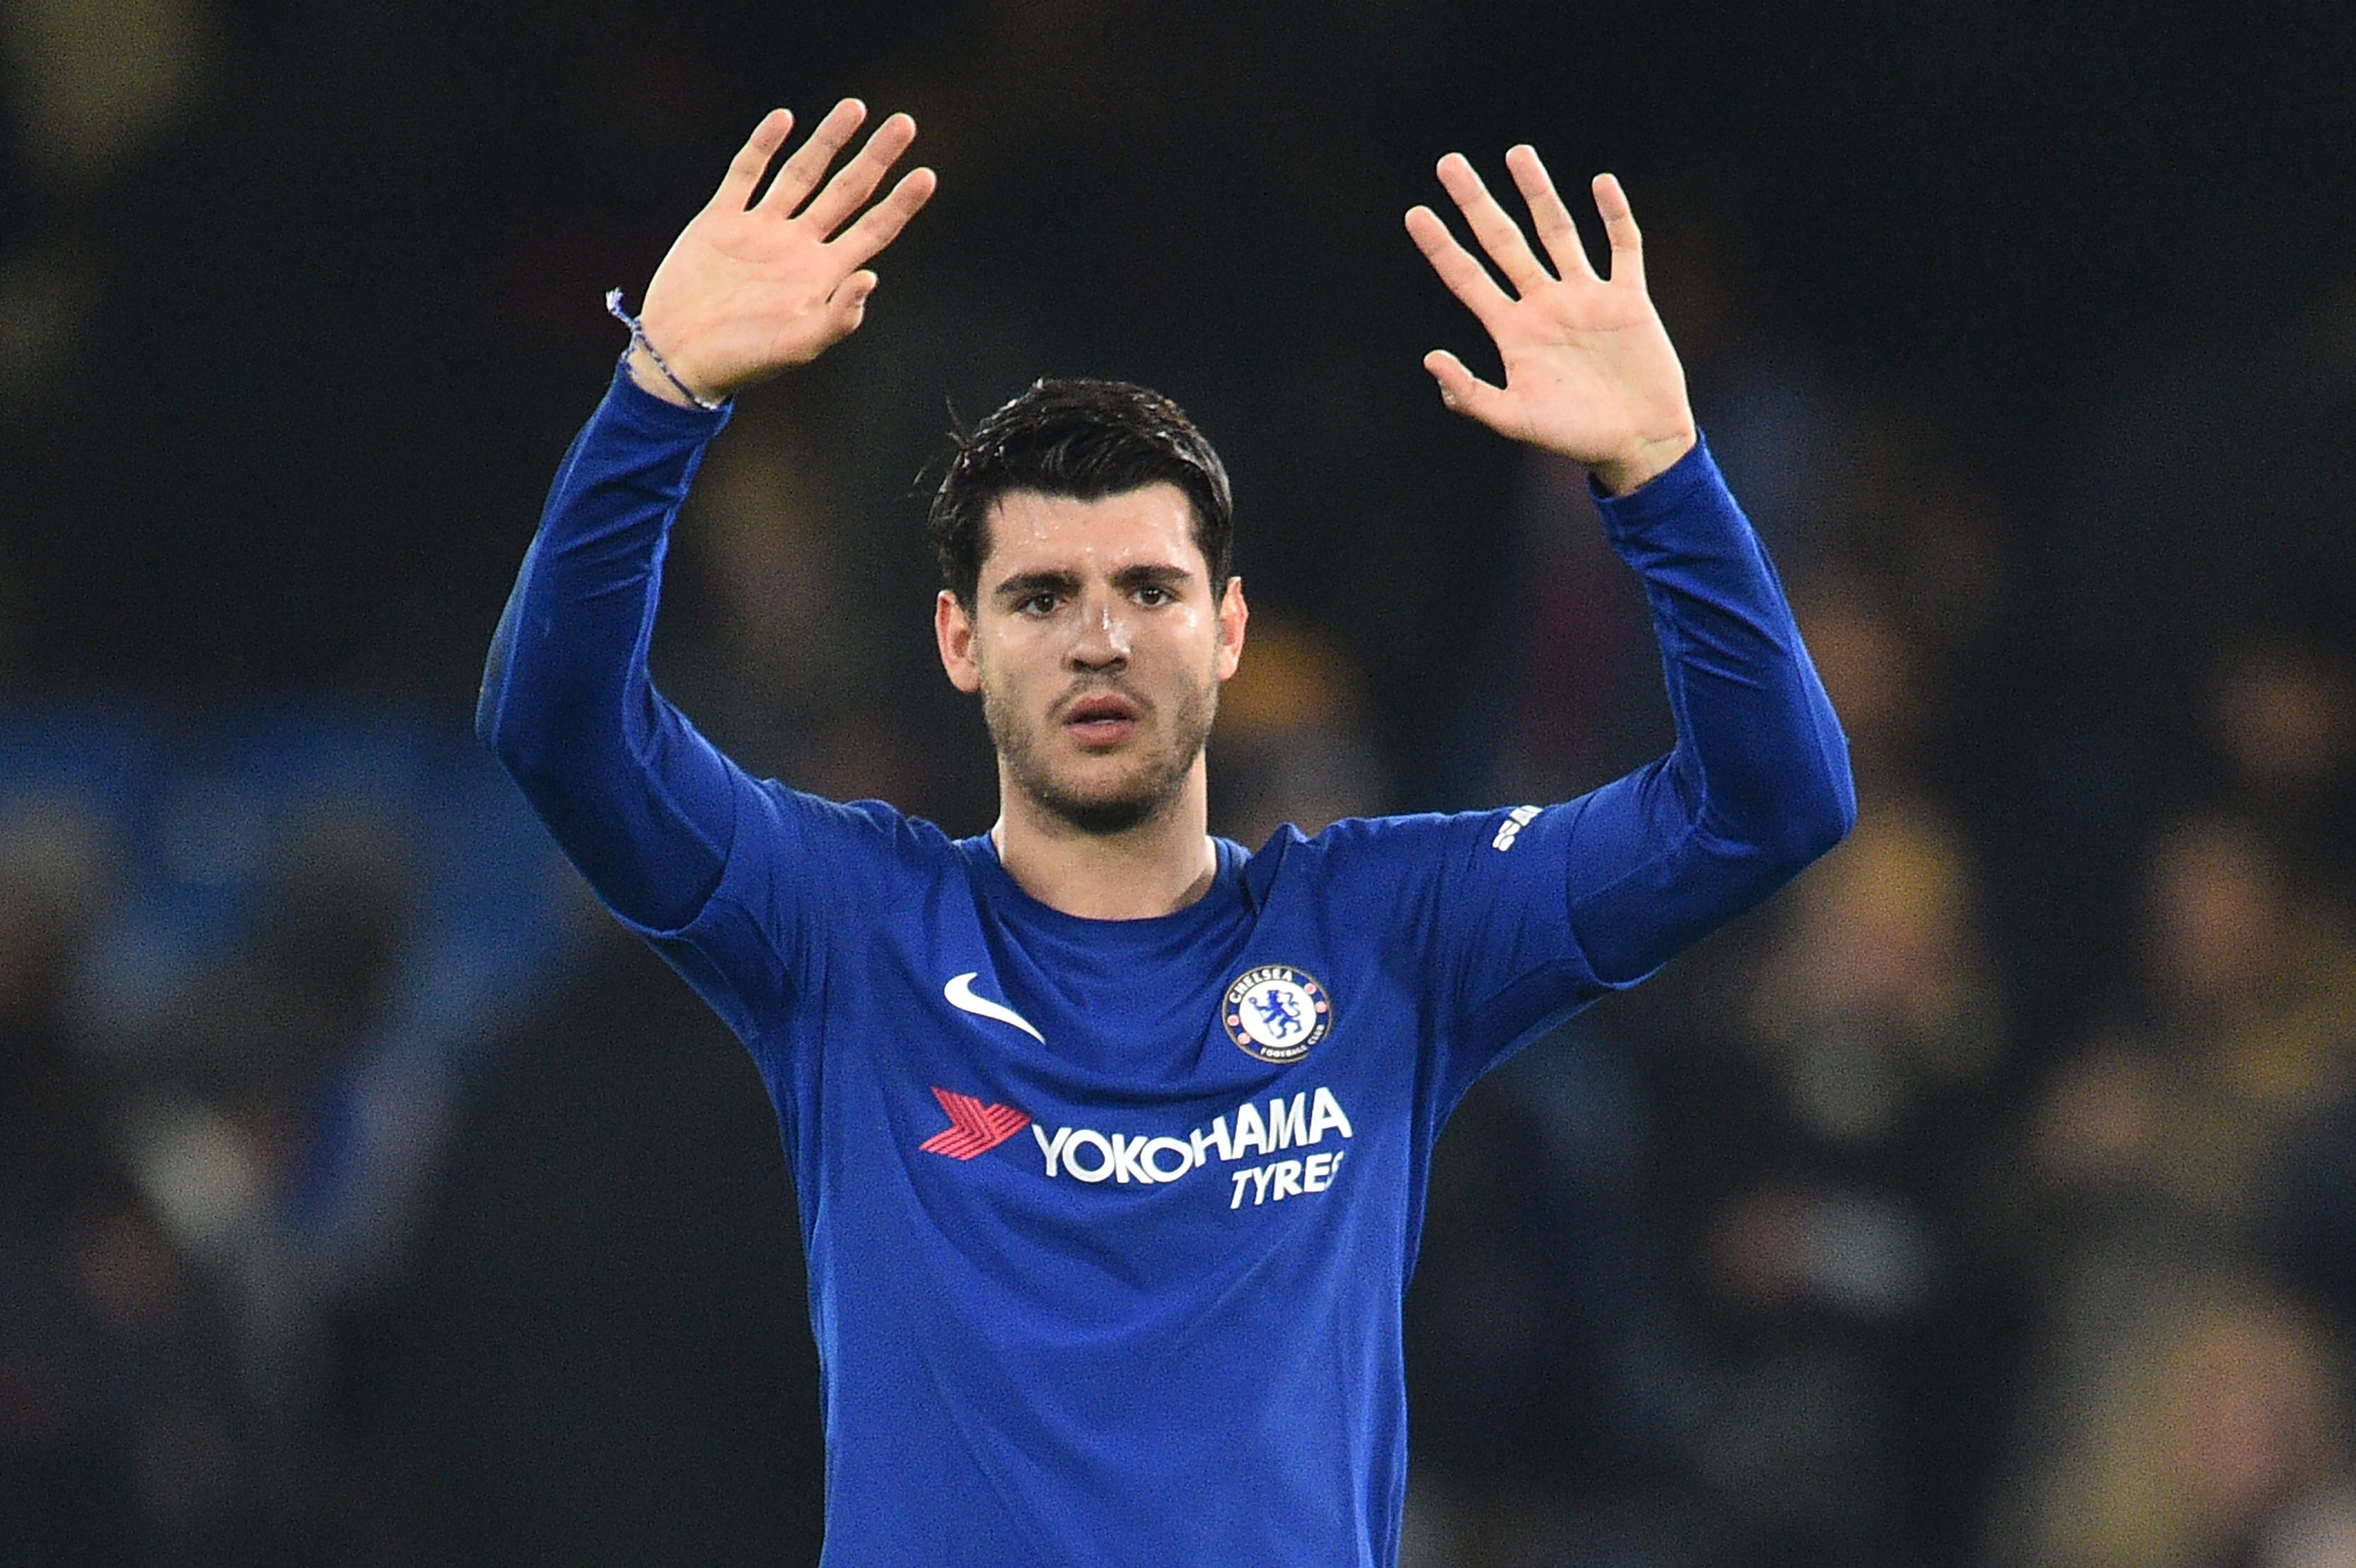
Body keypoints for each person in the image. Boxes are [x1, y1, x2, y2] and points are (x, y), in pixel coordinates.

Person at [477, 99, 1853, 1567]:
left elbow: (1768, 804)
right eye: (1038, 596)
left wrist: (1661, 472)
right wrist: (657, 397)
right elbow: (558, 732)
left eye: (1147, 589)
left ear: (1229, 632)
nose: (1096, 642)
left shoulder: (1389, 934)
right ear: (957, 639)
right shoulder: (847, 931)